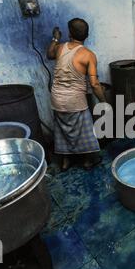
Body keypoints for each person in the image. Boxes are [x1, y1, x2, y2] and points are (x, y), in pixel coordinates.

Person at [47, 18, 107, 171]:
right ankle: (88, 161)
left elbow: (49, 54)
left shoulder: (60, 47)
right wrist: (104, 101)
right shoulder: (88, 55)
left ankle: (66, 161)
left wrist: (55, 38)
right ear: (87, 35)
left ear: (69, 33)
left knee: (63, 130)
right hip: (75, 101)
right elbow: (94, 84)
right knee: (84, 130)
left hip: (57, 99)